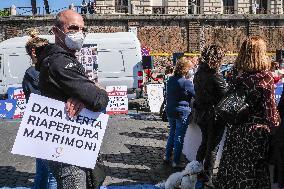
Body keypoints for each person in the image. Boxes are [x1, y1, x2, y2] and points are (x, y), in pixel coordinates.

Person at [36, 9, 109, 189]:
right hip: (66, 149)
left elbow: (90, 94)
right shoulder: (60, 62)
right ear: (56, 31)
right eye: (73, 28)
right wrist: (93, 91)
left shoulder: (63, 58)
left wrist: (82, 97)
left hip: (71, 143)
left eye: (83, 29)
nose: (79, 33)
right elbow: (99, 99)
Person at [214, 36, 280, 189]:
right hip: (255, 133)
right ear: (261, 53)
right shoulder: (265, 78)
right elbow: (271, 113)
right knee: (252, 174)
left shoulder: (237, 75)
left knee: (233, 171)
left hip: (236, 130)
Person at [23, 34, 57, 189]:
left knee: (43, 171)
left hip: (41, 127)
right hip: (47, 126)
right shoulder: (35, 73)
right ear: (34, 52)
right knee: (52, 173)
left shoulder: (34, 72)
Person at [193, 45, 227, 182]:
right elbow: (226, 96)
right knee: (212, 147)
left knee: (205, 142)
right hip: (213, 116)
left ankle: (195, 168)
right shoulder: (215, 76)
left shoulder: (199, 71)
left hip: (201, 114)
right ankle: (207, 175)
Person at [164, 57, 195, 167]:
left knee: (172, 133)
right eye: (191, 68)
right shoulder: (186, 82)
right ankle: (176, 162)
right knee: (179, 136)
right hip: (182, 112)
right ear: (186, 69)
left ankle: (167, 156)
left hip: (170, 110)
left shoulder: (171, 79)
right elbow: (196, 95)